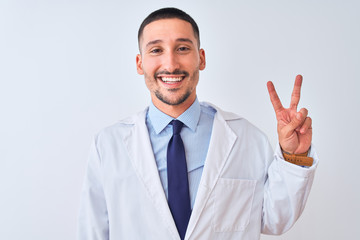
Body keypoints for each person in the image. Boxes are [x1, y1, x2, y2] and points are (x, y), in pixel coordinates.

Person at [77, 7, 318, 240]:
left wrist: (293, 155)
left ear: (201, 58)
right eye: (156, 50)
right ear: (140, 64)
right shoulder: (108, 145)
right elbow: (93, 232)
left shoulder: (247, 138)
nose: (170, 64)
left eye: (182, 48)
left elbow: (274, 220)